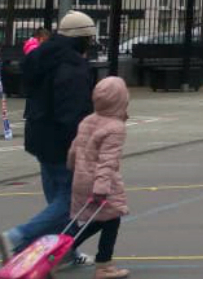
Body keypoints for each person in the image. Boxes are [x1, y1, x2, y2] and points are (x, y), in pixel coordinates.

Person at [0, 10, 97, 267]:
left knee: (57, 198)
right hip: (62, 139)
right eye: (88, 39)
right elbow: (72, 109)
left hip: (39, 135)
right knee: (73, 202)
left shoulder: (42, 56)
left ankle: (63, 251)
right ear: (80, 39)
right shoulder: (72, 65)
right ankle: (18, 236)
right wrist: (81, 143)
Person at [66, 77, 130, 279]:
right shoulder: (115, 127)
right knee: (111, 219)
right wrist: (101, 188)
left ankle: (64, 249)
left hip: (81, 177)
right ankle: (104, 264)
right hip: (99, 181)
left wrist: (73, 169)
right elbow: (107, 161)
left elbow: (74, 150)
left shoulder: (88, 120)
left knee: (99, 219)